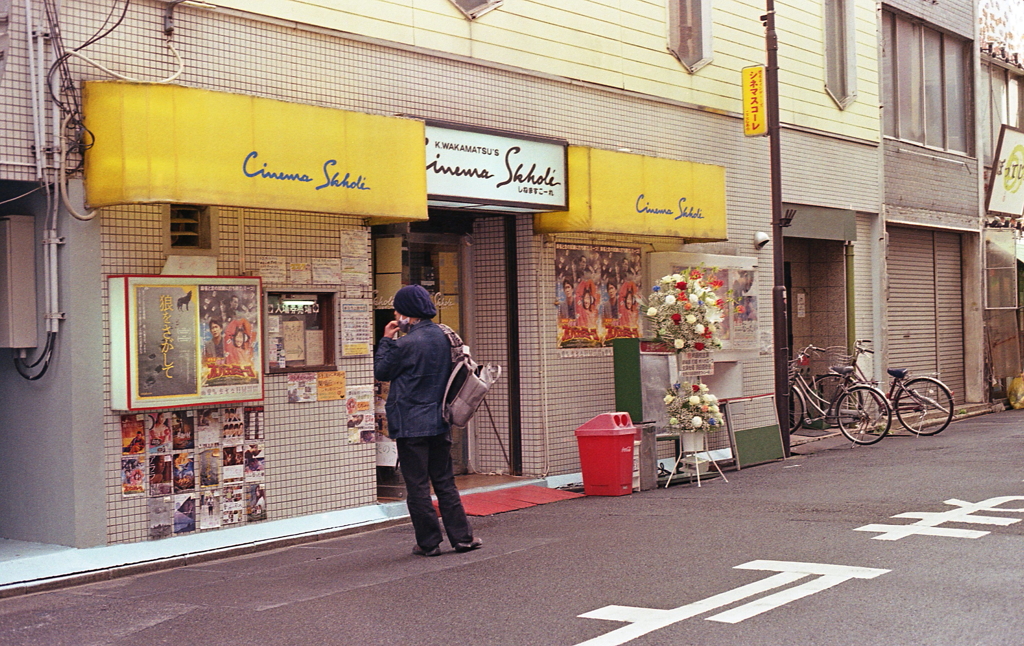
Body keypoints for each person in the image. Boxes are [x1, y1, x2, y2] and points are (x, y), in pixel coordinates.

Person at [374, 284, 481, 557]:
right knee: (444, 481)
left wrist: (386, 338)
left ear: (407, 313)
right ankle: (463, 538)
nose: (396, 315)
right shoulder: (444, 336)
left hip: (411, 424)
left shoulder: (405, 344)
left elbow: (382, 371)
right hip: (439, 419)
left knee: (418, 485)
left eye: (398, 310)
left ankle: (429, 542)